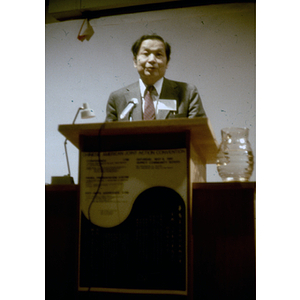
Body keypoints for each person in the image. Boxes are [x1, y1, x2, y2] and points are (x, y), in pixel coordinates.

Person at [105, 34, 206, 121]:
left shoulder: (188, 93)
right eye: (146, 54)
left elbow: (199, 133)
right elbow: (108, 138)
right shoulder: (117, 98)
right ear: (135, 61)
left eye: (159, 54)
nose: (152, 60)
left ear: (167, 62)